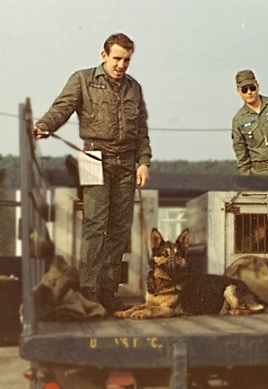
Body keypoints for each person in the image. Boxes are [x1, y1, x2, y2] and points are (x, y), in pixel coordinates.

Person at [33, 33, 152, 313]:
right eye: (117, 58)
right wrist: (43, 126)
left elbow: (142, 131)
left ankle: (108, 291)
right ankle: (88, 291)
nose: (122, 65)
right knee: (95, 227)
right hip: (92, 156)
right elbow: (61, 108)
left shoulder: (134, 88)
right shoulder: (82, 79)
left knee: (120, 231)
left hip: (126, 162)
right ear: (103, 55)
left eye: (127, 60)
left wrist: (144, 161)